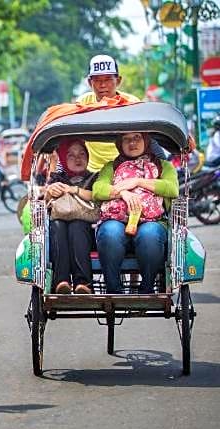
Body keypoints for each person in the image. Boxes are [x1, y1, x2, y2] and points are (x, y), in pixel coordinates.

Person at [93, 132, 179, 294]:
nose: (132, 143)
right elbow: (98, 190)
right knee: (109, 232)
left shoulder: (164, 166)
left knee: (150, 235)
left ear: (146, 140)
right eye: (126, 139)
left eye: (137, 137)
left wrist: (138, 181)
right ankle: (114, 291)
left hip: (152, 221)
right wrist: (123, 193)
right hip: (117, 220)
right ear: (119, 143)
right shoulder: (111, 167)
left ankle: (146, 289)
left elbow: (172, 188)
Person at [45, 138, 96, 294]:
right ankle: (61, 281)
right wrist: (49, 191)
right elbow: (47, 202)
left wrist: (74, 190)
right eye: (71, 155)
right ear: (64, 159)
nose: (78, 158)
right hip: (60, 230)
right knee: (57, 225)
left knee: (77, 225)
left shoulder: (95, 178)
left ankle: (83, 284)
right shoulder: (57, 178)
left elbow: (99, 195)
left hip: (89, 231)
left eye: (82, 154)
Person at [77, 54, 142, 172]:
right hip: (90, 170)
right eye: (97, 80)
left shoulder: (132, 103)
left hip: (127, 168)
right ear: (89, 82)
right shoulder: (83, 102)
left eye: (108, 79)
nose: (102, 85)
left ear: (118, 81)